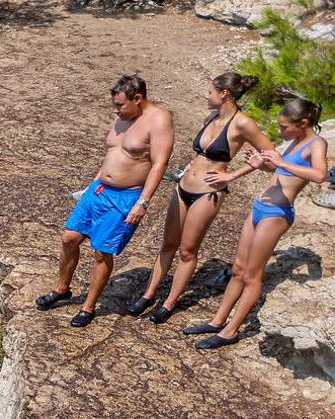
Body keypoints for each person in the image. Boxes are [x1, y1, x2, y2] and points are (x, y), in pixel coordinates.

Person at [130, 73, 273, 323]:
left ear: (224, 94)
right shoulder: (212, 117)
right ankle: (149, 294)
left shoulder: (242, 124)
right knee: (167, 244)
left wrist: (233, 175)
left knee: (187, 250)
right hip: (183, 186)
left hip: (208, 193)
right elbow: (201, 155)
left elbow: (271, 156)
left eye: (210, 91)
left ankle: (169, 303)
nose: (206, 95)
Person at [187, 98, 327, 350]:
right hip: (259, 206)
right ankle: (218, 320)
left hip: (277, 213)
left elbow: (320, 174)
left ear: (303, 123)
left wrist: (282, 162)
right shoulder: (295, 141)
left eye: (284, 127)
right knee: (239, 268)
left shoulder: (316, 143)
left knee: (252, 275)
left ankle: (231, 331)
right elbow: (284, 174)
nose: (281, 132)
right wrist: (262, 166)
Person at [36, 74, 173, 327]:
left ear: (138, 99)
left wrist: (142, 202)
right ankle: (62, 289)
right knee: (69, 238)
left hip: (125, 196)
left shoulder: (159, 120)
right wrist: (92, 184)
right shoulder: (122, 117)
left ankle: (88, 307)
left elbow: (159, 164)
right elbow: (113, 152)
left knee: (102, 252)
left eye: (120, 105)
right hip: (98, 189)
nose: (115, 110)